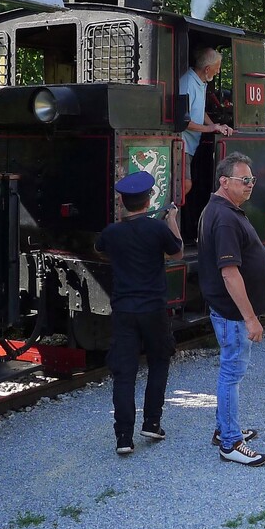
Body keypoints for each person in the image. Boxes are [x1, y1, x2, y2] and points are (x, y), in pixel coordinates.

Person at [94, 170, 184, 456]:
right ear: (148, 200)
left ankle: (123, 437)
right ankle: (152, 422)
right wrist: (171, 221)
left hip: (123, 310)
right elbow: (178, 251)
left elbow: (100, 249)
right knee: (159, 362)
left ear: (123, 202)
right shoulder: (158, 230)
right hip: (154, 309)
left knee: (124, 374)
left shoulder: (111, 233)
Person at [198, 152, 265, 466]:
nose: (250, 185)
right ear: (224, 181)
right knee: (231, 375)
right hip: (233, 314)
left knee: (230, 373)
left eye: (252, 179)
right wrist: (250, 318)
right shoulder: (225, 218)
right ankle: (230, 443)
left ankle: (224, 429)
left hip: (229, 312)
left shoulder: (221, 210)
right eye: (244, 180)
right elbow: (229, 273)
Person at [180, 47, 233, 199]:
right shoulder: (188, 82)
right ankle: (170, 218)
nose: (217, 72)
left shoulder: (200, 83)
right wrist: (210, 128)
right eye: (217, 69)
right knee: (185, 184)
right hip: (182, 143)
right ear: (207, 69)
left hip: (191, 145)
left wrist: (217, 127)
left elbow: (199, 111)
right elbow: (184, 121)